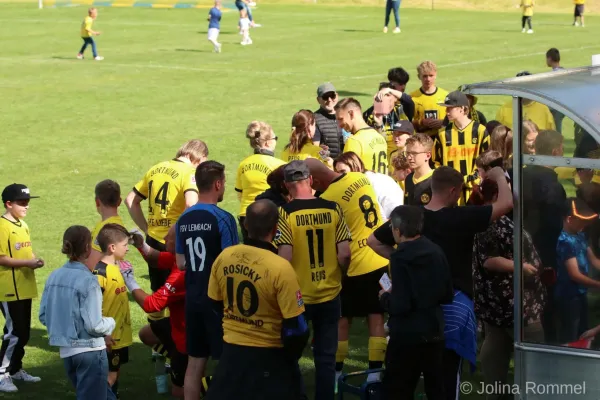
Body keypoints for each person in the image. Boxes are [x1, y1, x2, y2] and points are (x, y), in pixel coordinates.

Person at [368, 166, 513, 400]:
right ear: (454, 191)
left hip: (410, 311)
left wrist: (404, 260)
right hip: (451, 308)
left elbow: (372, 240)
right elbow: (506, 204)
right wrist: (497, 175)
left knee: (401, 379)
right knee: (443, 380)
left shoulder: (410, 216)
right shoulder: (463, 217)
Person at [205, 199, 309, 400]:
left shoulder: (224, 256)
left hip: (231, 355)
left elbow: (214, 305)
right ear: (276, 228)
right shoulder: (280, 268)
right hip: (269, 358)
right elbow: (297, 328)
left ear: (245, 225)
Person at [304, 158, 389, 387]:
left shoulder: (328, 199)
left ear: (315, 180)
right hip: (379, 256)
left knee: (342, 320)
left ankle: (336, 374)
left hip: (353, 264)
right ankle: (373, 375)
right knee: (376, 316)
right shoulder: (360, 178)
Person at [275, 160, 351, 400]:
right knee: (326, 357)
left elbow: (284, 257)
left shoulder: (285, 213)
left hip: (298, 296)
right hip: (329, 291)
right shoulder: (333, 208)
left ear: (287, 185)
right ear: (310, 180)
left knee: (290, 354)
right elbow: (345, 253)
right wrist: (341, 273)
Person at [472, 179, 545, 400]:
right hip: (512, 303)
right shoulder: (489, 221)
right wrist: (521, 267)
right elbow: (488, 260)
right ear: (496, 195)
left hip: (507, 303)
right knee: (533, 363)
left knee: (496, 347)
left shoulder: (494, 219)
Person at [175, 161, 239, 399]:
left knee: (195, 362)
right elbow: (231, 263)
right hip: (218, 300)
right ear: (218, 183)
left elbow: (181, 263)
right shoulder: (223, 218)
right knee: (226, 360)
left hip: (193, 297)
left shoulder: (184, 219)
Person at [379, 206, 453, 400]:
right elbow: (447, 294)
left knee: (397, 390)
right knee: (436, 389)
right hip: (434, 330)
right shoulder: (436, 250)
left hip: (407, 335)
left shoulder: (400, 256)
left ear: (397, 230)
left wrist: (385, 297)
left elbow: (400, 305)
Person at [39, 226, 116, 400]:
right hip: (90, 352)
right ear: (88, 248)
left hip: (67, 353)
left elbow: (44, 315)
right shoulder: (89, 281)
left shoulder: (53, 276)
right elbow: (94, 325)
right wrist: (111, 322)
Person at [125, 140, 206, 295]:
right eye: (201, 163)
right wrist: (177, 229)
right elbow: (191, 204)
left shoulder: (156, 168)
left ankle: (156, 320)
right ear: (195, 156)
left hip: (153, 240)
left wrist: (147, 229)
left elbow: (130, 200)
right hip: (176, 242)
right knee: (181, 292)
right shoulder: (189, 173)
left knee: (158, 291)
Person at [122, 226, 187, 398]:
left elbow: (151, 305)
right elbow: (156, 258)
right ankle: (176, 360)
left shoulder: (181, 274)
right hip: (178, 323)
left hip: (185, 335)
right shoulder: (180, 257)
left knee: (179, 392)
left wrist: (130, 281)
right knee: (146, 334)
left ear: (180, 242)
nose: (164, 237)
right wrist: (141, 245)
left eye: (170, 236)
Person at [522, 130, 567, 344]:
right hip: (544, 251)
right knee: (545, 304)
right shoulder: (553, 187)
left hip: (520, 246)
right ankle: (546, 345)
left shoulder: (522, 174)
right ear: (557, 151)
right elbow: (553, 225)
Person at [0, 184, 43, 392]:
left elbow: (26, 253)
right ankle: (1, 374)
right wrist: (28, 263)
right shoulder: (1, 226)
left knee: (24, 332)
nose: (26, 206)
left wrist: (35, 260)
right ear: (9, 204)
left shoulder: (23, 225)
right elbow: (1, 258)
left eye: (28, 202)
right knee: (14, 333)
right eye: (22, 203)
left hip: (24, 287)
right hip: (8, 288)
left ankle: (15, 369)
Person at [93, 224, 133, 398]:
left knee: (115, 372)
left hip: (120, 336)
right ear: (112, 247)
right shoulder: (100, 273)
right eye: (125, 245)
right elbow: (92, 306)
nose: (128, 249)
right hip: (109, 337)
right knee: (110, 375)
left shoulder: (117, 267)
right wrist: (103, 334)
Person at [555, 198, 600, 344]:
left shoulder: (580, 235)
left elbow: (594, 260)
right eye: (581, 220)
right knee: (571, 335)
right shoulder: (565, 241)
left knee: (584, 332)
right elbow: (574, 275)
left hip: (581, 294)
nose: (585, 224)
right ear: (569, 219)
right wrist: (598, 284)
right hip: (569, 296)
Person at [434, 91, 490, 204]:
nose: (446, 111)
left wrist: (475, 179)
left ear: (462, 109)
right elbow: (435, 162)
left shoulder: (480, 131)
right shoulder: (442, 134)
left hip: (475, 191)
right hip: (450, 192)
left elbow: (488, 161)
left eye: (450, 108)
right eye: (446, 108)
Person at [236, 121, 285, 242]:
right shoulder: (279, 165)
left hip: (246, 215)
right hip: (269, 215)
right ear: (268, 142)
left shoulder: (243, 164)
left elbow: (239, 194)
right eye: (275, 138)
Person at [334, 152, 403, 219]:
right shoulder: (369, 177)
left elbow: (380, 216)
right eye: (337, 172)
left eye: (343, 171)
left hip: (394, 221)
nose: (339, 176)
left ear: (355, 167)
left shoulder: (364, 182)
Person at [336, 98, 388, 175]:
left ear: (351, 114)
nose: (339, 125)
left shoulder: (354, 141)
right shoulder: (379, 137)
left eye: (341, 119)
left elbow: (348, 176)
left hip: (366, 186)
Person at [86, 179, 127, 270]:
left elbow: (91, 264)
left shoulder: (106, 228)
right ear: (119, 201)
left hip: (101, 282)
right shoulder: (113, 224)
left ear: (97, 202)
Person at [410, 61, 448, 137]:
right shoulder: (412, 97)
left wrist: (443, 122)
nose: (428, 79)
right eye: (425, 76)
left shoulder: (446, 95)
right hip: (422, 141)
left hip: (443, 139)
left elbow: (456, 119)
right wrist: (421, 123)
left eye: (431, 75)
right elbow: (407, 123)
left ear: (436, 75)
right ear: (419, 76)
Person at [313, 83, 344, 159]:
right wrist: (328, 161)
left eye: (332, 96)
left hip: (347, 165)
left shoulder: (346, 115)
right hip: (327, 167)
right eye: (325, 97)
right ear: (318, 100)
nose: (329, 100)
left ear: (337, 96)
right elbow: (315, 148)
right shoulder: (314, 119)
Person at [404, 134, 434, 206]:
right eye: (407, 153)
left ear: (428, 155)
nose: (409, 157)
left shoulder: (436, 180)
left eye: (414, 153)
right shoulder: (408, 178)